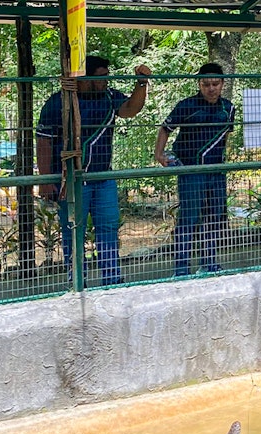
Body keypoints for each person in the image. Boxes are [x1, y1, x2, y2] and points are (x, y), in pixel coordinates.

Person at [37, 55, 151, 286]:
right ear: (83, 78)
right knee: (73, 231)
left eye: (106, 77)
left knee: (108, 228)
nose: (105, 82)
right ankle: (77, 280)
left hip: (103, 178)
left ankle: (112, 278)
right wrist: (45, 180)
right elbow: (44, 142)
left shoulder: (109, 97)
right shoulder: (60, 102)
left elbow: (131, 109)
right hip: (73, 179)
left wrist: (141, 83)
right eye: (100, 77)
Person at [154, 62, 235, 276]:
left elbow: (226, 135)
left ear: (222, 84)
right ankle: (182, 269)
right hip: (190, 170)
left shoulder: (229, 108)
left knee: (215, 217)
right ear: (199, 84)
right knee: (189, 219)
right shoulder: (187, 105)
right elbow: (165, 128)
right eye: (206, 84)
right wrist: (159, 154)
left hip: (216, 171)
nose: (211, 88)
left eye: (215, 84)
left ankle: (209, 263)